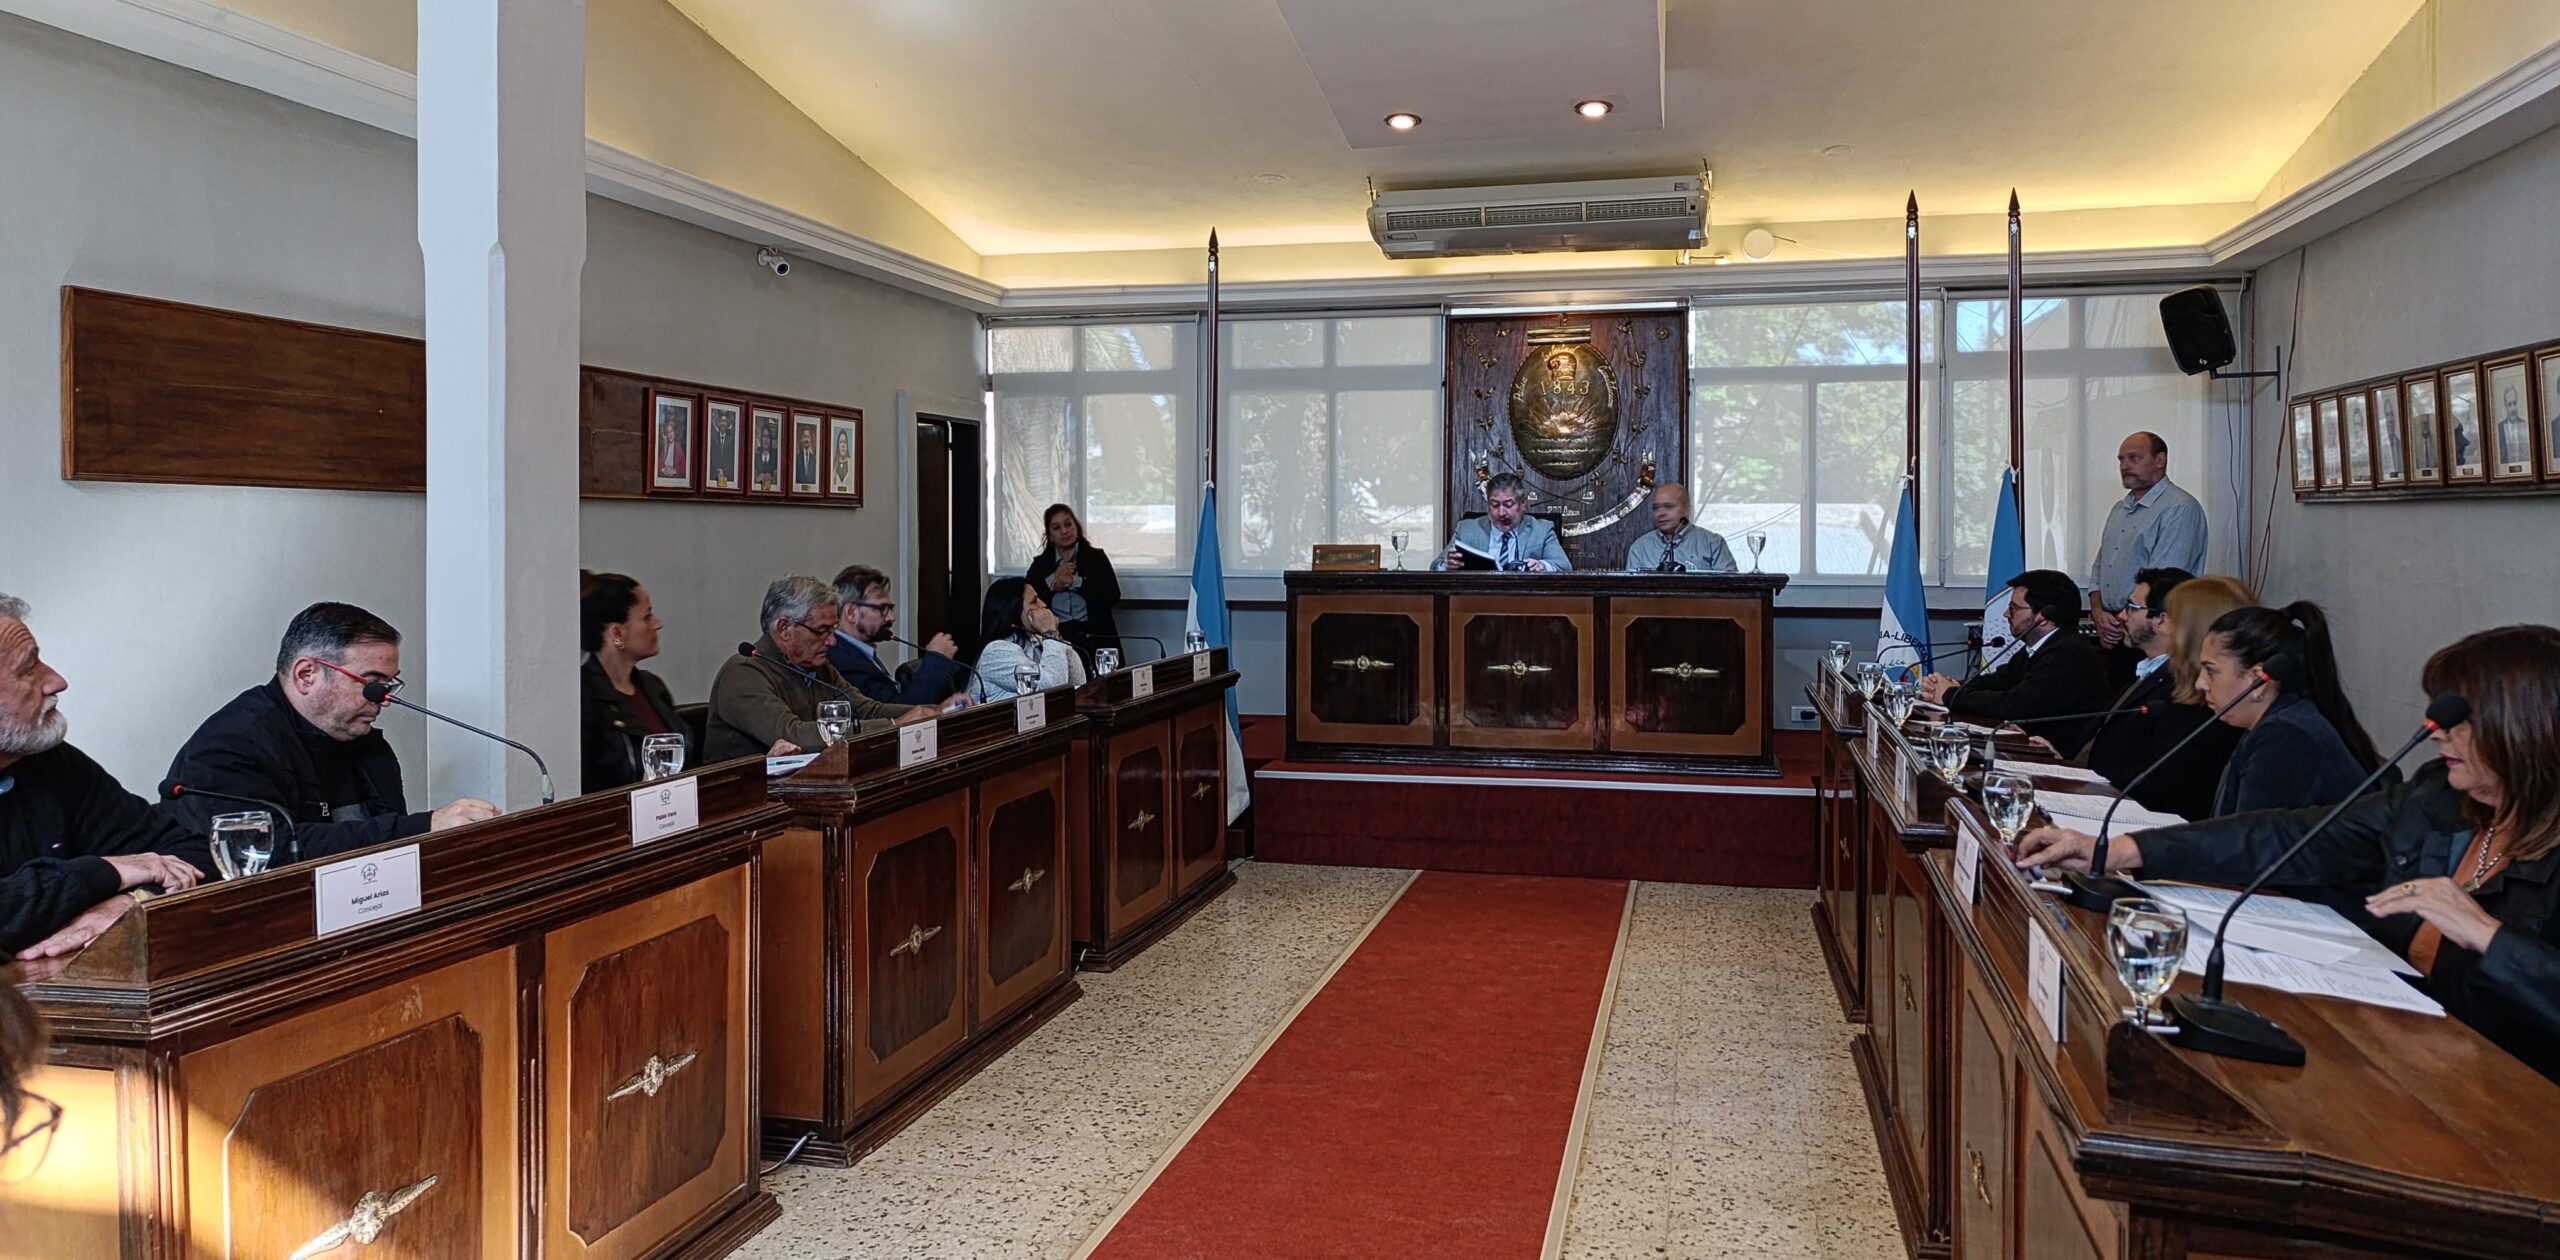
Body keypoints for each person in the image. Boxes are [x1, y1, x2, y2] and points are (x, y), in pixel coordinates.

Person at [2017, 624, 2560, 1083]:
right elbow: (2286, 835)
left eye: (2458, 720)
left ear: (2523, 728)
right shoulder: (2438, 795)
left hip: (2505, 1096)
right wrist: (2122, 850)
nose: (2435, 732)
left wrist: (2488, 936)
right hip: (2387, 1047)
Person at [160, 603, 499, 862]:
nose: (384, 699)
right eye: (372, 683)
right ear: (306, 675)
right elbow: (270, 851)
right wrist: (425, 826)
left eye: (389, 685)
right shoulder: (229, 745)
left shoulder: (366, 744)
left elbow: (386, 853)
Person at [2, 595, 210, 959]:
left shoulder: (49, 763)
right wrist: (103, 872)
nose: (57, 681)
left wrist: (133, 900)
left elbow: (193, 855)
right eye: (28, 668)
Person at [703, 576, 932, 761]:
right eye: (822, 631)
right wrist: (894, 726)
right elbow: (795, 735)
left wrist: (935, 712)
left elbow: (866, 711)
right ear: (785, 629)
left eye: (833, 630)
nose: (832, 641)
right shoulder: (743, 673)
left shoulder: (819, 668)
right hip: (742, 798)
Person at [2079, 569, 2244, 821]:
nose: (2122, 616)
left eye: (2132, 607)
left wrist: (2087, 778)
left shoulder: (2198, 695)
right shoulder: (2154, 673)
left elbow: (2172, 784)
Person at [2191, 602, 2381, 815]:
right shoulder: (2281, 719)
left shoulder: (2285, 736)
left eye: (2211, 671)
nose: (2200, 684)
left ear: (2258, 681)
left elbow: (2254, 833)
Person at [1919, 569, 2111, 757]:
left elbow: (2014, 705)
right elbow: (1998, 681)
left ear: (2043, 617)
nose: (2006, 614)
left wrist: (1951, 695)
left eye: (2014, 608)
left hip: (2064, 762)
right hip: (2033, 749)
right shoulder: (2042, 646)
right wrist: (1955, 686)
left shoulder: (2067, 654)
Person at [2087, 432, 2207, 685]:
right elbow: (2100, 569)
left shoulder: (2179, 508)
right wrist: (2098, 612)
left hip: (2151, 633)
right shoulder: (2119, 509)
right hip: (2116, 630)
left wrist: (2123, 619)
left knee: (2143, 703)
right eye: (2121, 459)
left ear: (2160, 460)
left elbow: (2161, 583)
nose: (2124, 466)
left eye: (2134, 458)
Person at [579, 572, 691, 792]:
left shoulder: (653, 687)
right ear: (617, 632)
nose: (658, 624)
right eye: (647, 617)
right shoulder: (584, 698)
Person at [827, 565, 970, 706]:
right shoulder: (842, 660)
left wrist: (945, 706)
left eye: (891, 608)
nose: (891, 617)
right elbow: (900, 712)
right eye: (882, 608)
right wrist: (936, 660)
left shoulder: (857, 652)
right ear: (851, 612)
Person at [968, 579, 1093, 705]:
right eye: (1034, 601)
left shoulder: (1036, 641)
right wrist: (1050, 633)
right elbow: (1053, 688)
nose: (1043, 604)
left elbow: (1078, 683)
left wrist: (1055, 635)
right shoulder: (995, 652)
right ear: (1014, 610)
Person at [1026, 504, 1123, 662]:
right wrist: (1054, 579)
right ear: (1050, 535)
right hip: (1057, 636)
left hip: (1094, 634)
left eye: (1068, 524)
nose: (1064, 531)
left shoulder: (1096, 558)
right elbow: (1028, 600)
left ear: (1076, 527)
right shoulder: (1040, 564)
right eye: (1057, 528)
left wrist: (1074, 582)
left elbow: (1112, 595)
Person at [1437, 472, 1571, 573]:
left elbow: (1564, 566)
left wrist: (1542, 566)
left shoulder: (1541, 530)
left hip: (1526, 600)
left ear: (1523, 503)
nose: (1501, 513)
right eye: (1494, 505)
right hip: (1478, 600)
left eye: (1508, 504)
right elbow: (1435, 566)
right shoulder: (1466, 529)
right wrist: (1447, 565)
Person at [1621, 483, 1735, 573]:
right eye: (1656, 508)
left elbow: (1730, 588)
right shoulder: (1640, 548)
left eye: (1669, 506)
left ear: (1686, 509)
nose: (1661, 513)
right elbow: (1631, 591)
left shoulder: (1713, 543)